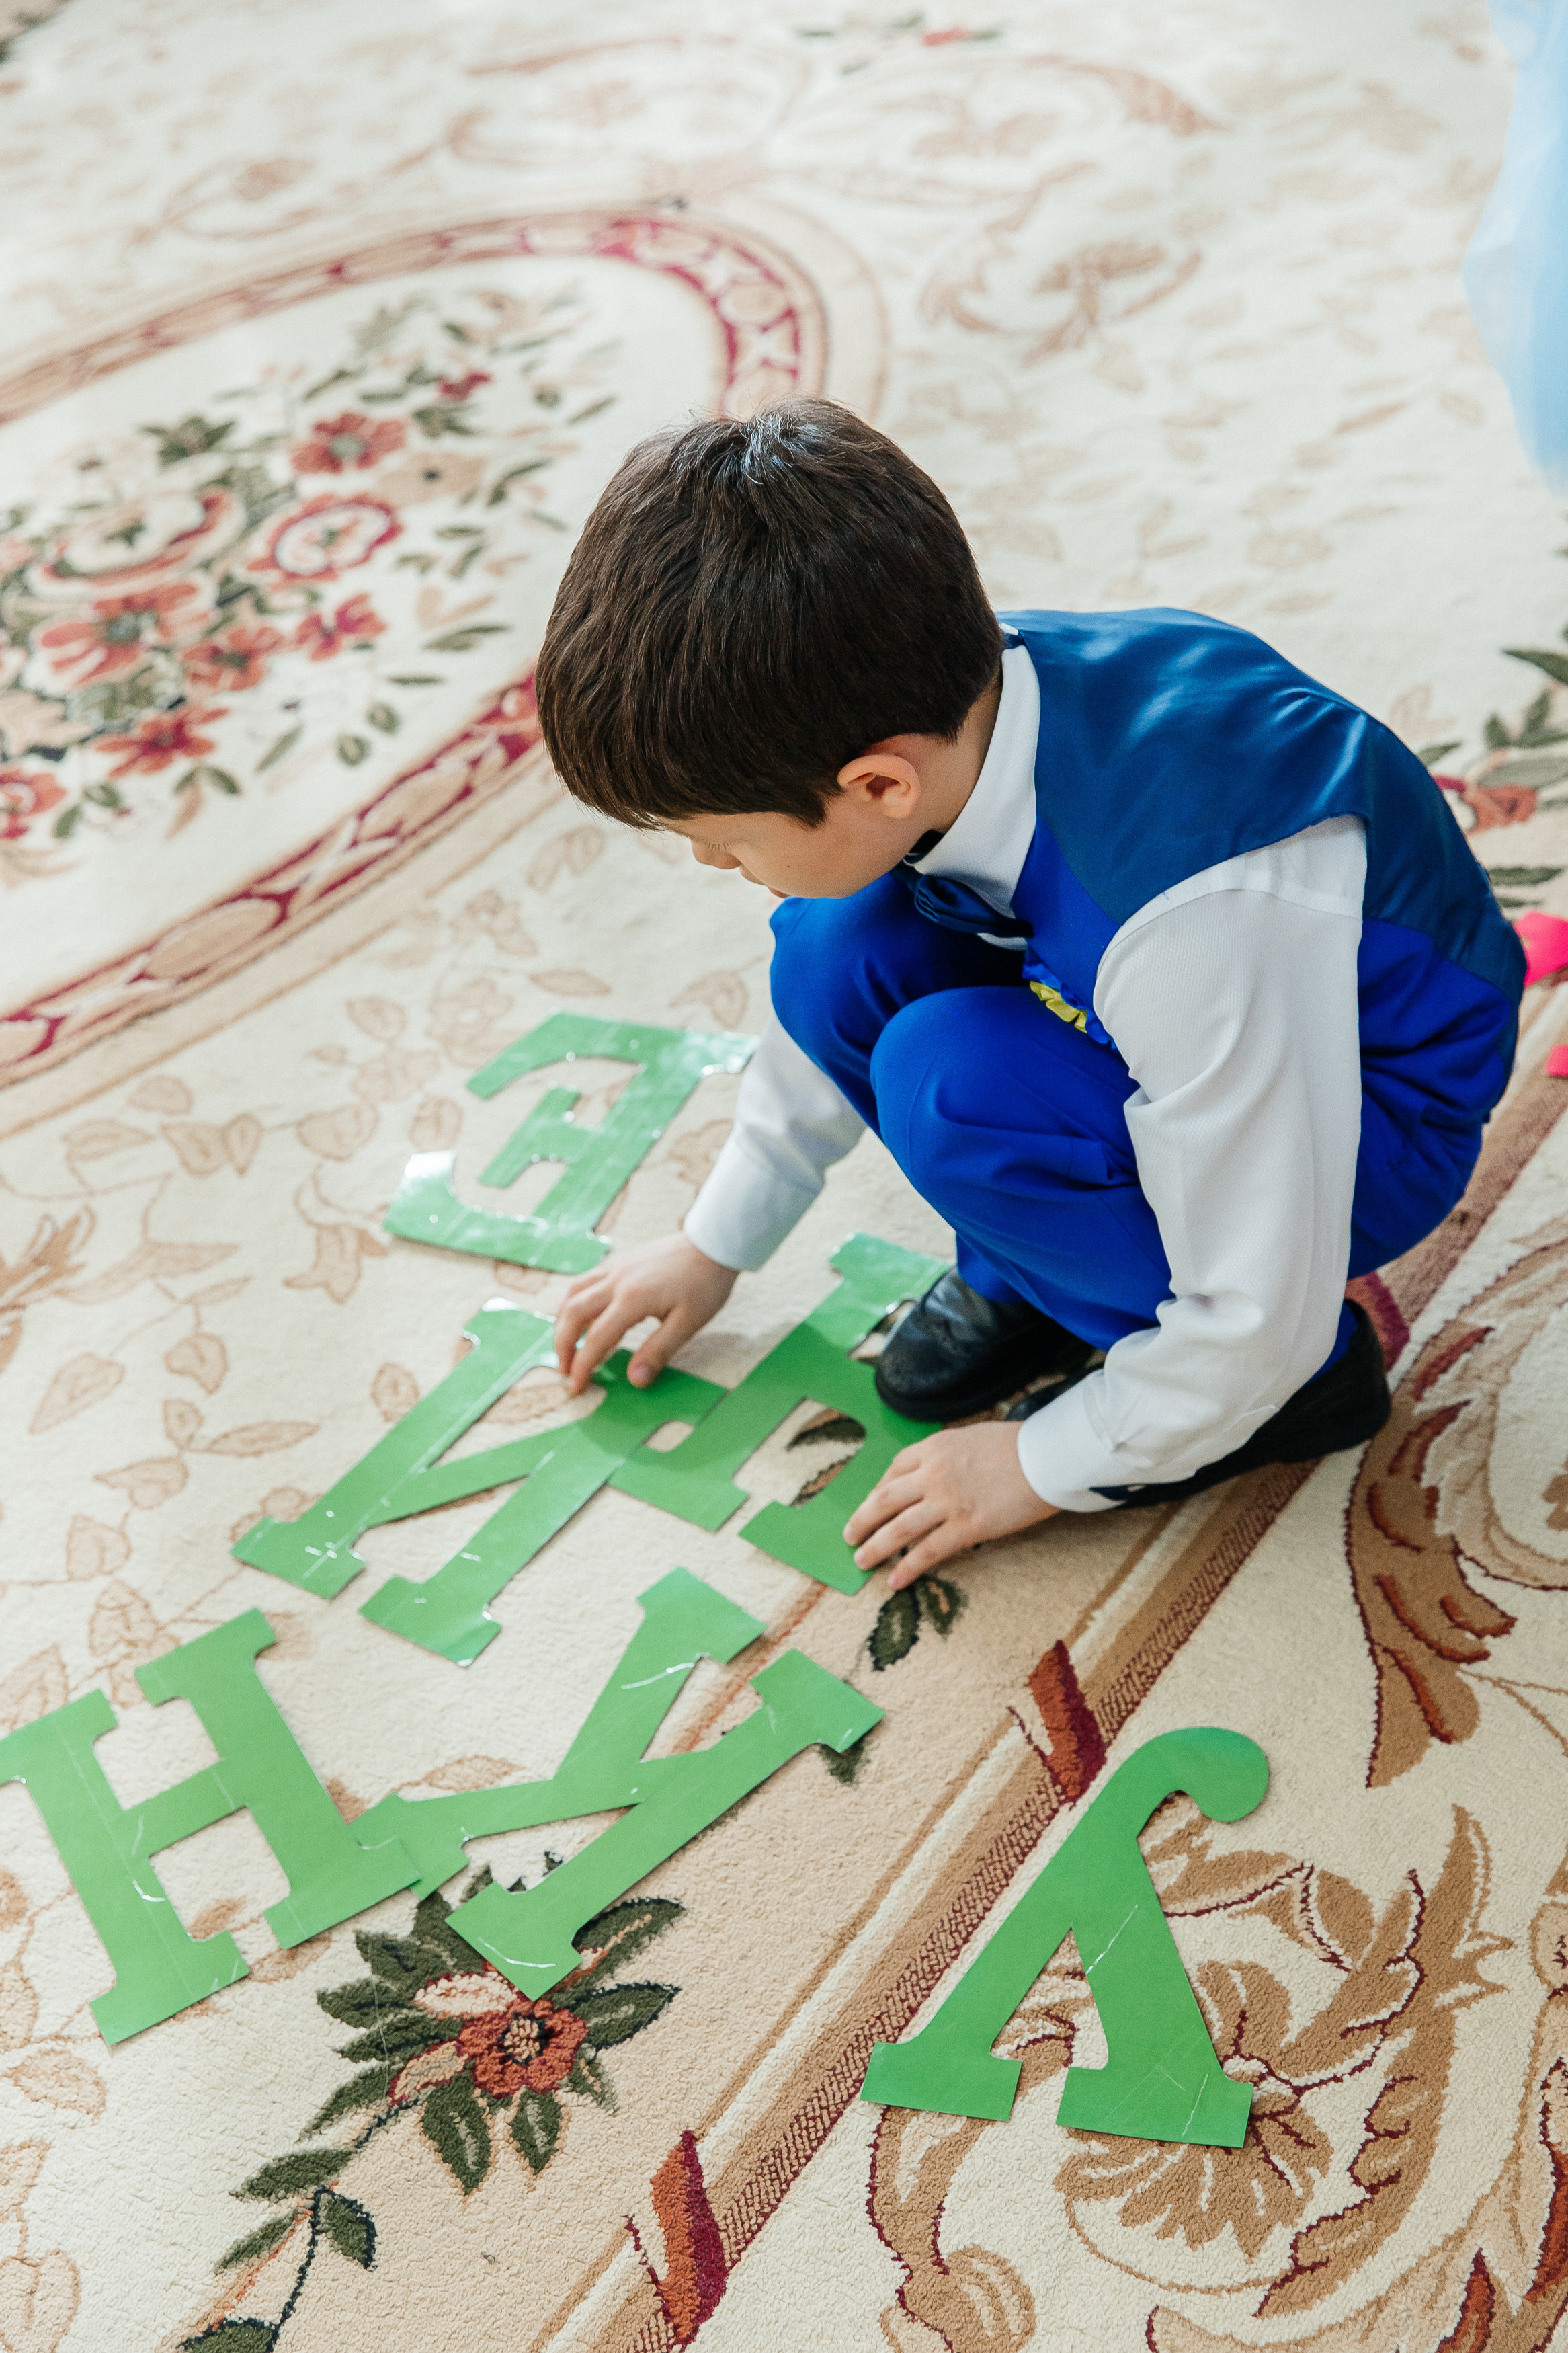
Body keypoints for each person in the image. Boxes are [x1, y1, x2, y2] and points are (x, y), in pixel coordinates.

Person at [536, 400, 1524, 1593]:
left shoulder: (1188, 917)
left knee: (952, 1081)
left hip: (1365, 1121)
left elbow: (1255, 1286)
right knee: (830, 946)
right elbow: (819, 1008)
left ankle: (1304, 1388)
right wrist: (715, 1241)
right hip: (1168, 1004)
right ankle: (1039, 1272)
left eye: (725, 843)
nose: (709, 865)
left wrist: (1049, 1461)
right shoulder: (946, 701)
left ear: (877, 782)